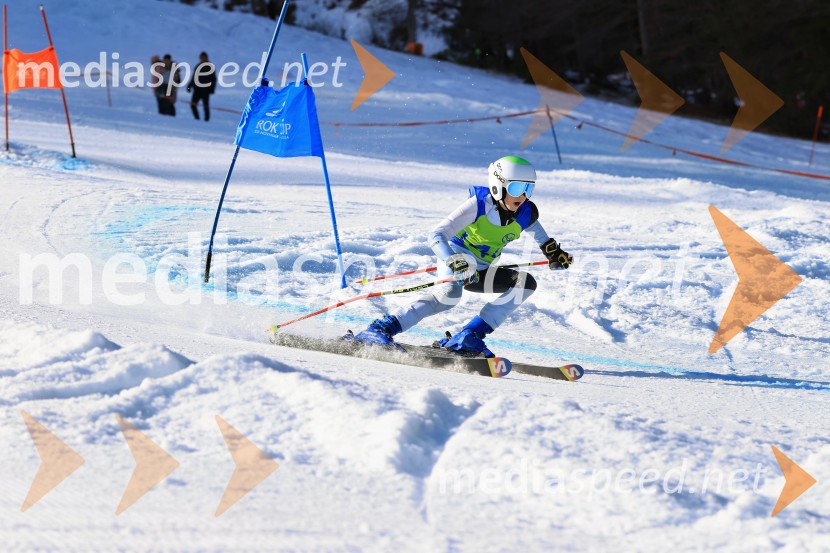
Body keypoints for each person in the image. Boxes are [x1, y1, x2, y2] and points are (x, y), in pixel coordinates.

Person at [351, 156, 573, 357]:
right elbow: (436, 235)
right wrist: (453, 261)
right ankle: (380, 329)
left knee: (525, 283)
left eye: (528, 188)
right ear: (498, 186)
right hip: (456, 258)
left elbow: (538, 232)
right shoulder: (479, 204)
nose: (523, 196)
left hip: (481, 270)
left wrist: (552, 251)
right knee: (447, 296)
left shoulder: (526, 212)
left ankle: (469, 336)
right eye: (516, 188)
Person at [187, 51, 217, 121]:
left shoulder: (210, 66)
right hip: (197, 89)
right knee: (193, 105)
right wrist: (189, 86)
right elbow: (193, 77)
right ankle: (196, 119)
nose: (202, 59)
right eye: (201, 58)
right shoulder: (198, 66)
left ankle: (206, 121)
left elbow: (213, 79)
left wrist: (212, 89)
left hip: (205, 90)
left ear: (206, 57)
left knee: (205, 106)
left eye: (204, 57)